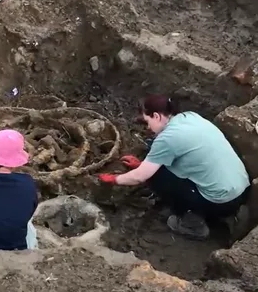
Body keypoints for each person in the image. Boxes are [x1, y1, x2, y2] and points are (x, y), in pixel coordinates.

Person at [98, 95, 250, 240]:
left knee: (156, 178)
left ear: (156, 116)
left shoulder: (167, 138)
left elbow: (139, 177)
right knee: (159, 162)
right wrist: (142, 165)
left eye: (148, 121)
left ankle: (193, 225)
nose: (148, 127)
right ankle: (233, 214)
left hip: (220, 201)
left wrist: (114, 179)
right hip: (242, 189)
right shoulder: (191, 117)